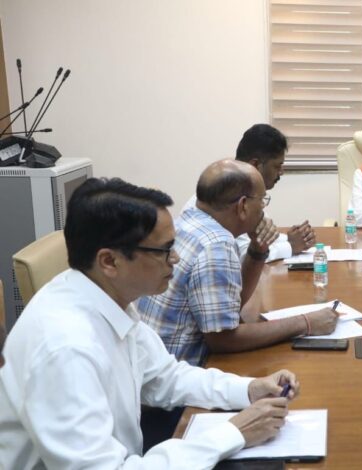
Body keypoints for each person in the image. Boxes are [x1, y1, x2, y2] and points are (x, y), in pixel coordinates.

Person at [0, 177, 300, 468]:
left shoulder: (107, 297)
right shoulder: (65, 348)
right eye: (164, 250)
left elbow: (165, 377)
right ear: (109, 261)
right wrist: (233, 433)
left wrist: (250, 389)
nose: (176, 258)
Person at [138, 159, 338, 367]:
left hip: (158, 364)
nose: (263, 209)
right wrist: (305, 323)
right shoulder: (217, 244)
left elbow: (230, 307)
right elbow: (223, 339)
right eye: (262, 200)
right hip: (182, 373)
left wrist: (258, 250)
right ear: (243, 206)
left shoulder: (189, 220)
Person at [182, 123, 317, 261]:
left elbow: (258, 236)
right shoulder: (232, 199)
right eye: (277, 166)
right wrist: (290, 246)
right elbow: (243, 255)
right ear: (255, 165)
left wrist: (289, 239)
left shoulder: (243, 190)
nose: (281, 172)